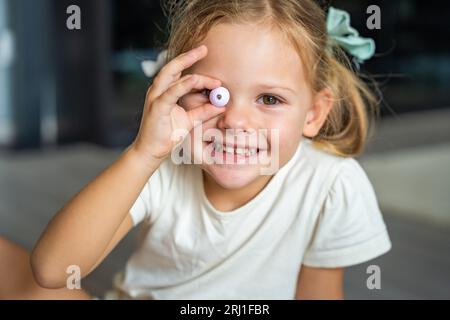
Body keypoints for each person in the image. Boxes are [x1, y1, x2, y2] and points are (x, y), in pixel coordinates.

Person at [0, 0, 391, 299]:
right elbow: (54, 270)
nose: (235, 122)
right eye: (211, 93)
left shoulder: (331, 184)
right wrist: (142, 155)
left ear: (314, 113)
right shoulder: (161, 168)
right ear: (175, 94)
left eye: (269, 99)